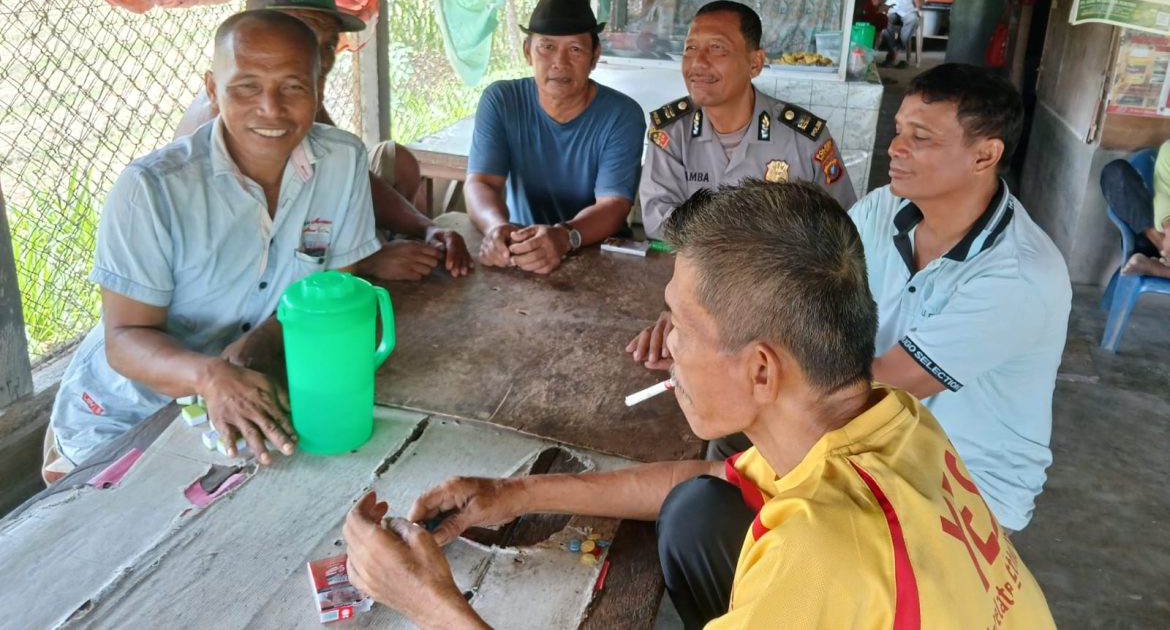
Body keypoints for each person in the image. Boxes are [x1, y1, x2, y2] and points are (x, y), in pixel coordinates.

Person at [341, 181, 1057, 630]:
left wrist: (431, 604)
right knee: (698, 510)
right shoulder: (894, 421)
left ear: (761, 369)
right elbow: (714, 481)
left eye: (680, 326)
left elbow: (817, 557)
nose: (669, 346)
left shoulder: (819, 552)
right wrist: (514, 493)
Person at [44, 11, 383, 482]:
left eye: (292, 86)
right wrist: (212, 376)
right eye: (246, 86)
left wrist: (257, 345)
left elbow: (337, 286)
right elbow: (123, 340)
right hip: (124, 414)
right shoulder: (153, 190)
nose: (271, 108)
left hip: (249, 387)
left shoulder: (341, 162)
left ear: (318, 90)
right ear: (211, 88)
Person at [850, 63, 1072, 533]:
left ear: (984, 156)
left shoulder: (1018, 277)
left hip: (963, 493)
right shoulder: (882, 209)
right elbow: (800, 283)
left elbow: (889, 382)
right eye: (898, 130)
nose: (895, 148)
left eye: (921, 137)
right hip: (879, 447)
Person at [177, 0, 471, 281]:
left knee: (396, 160)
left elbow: (344, 170)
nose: (315, 57)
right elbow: (249, 248)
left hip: (306, 237)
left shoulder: (300, 91)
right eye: (298, 36)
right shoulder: (233, 117)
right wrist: (363, 261)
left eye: (327, 44)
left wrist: (426, 226)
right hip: (250, 290)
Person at [629, 0, 856, 368]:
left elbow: (842, 231)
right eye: (690, 48)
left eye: (716, 48)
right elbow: (659, 220)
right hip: (692, 290)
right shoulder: (671, 131)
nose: (698, 63)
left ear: (755, 62)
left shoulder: (803, 138)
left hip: (784, 308)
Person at [465, 0, 645, 275]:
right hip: (519, 247)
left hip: (594, 250)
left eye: (575, 49)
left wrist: (564, 237)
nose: (559, 63)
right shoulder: (501, 101)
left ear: (594, 56)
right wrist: (496, 228)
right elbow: (481, 182)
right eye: (547, 47)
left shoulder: (621, 115)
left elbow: (614, 204)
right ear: (528, 52)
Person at [1100, 140, 1170, 278]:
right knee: (1115, 172)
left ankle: (1161, 270)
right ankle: (1162, 251)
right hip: (1152, 237)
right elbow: (1164, 198)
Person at [872, 0, 926, 69]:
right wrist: (876, 4)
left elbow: (919, 4)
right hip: (892, 10)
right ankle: (896, 49)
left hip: (909, 12)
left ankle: (893, 53)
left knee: (913, 20)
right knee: (886, 19)